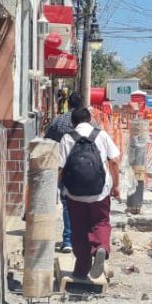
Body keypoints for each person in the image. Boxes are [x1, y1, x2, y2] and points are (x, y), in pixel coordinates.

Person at [57, 107, 121, 280]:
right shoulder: (101, 135)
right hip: (99, 192)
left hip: (74, 194)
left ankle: (81, 270)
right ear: (91, 119)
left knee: (78, 229)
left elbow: (60, 168)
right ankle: (100, 247)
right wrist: (116, 186)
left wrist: (58, 188)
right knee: (100, 221)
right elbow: (114, 161)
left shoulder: (67, 138)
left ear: (73, 123)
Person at [45, 92, 83, 252]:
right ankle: (81, 238)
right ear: (81, 103)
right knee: (84, 204)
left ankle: (67, 240)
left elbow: (48, 140)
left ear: (68, 102)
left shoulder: (59, 120)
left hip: (63, 169)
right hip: (83, 167)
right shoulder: (88, 121)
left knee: (67, 204)